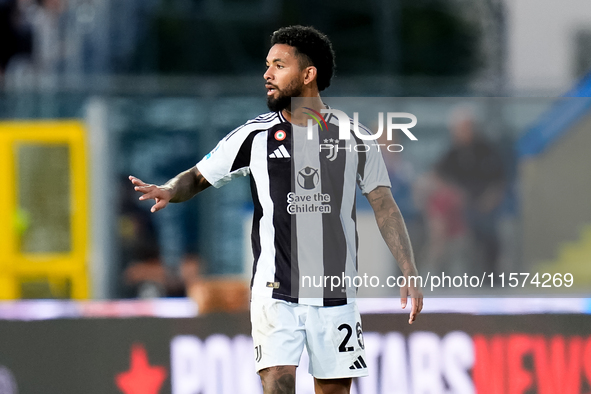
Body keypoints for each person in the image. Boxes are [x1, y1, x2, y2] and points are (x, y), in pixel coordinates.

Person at [130, 25, 422, 394]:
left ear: (308, 74)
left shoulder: (356, 138)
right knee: (278, 382)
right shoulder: (254, 136)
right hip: (274, 292)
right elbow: (198, 176)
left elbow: (385, 207)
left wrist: (409, 270)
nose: (267, 74)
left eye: (278, 65)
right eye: (267, 65)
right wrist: (169, 189)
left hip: (335, 294)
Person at [436, 107, 505, 276]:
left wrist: (489, 200)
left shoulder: (487, 151)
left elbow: (499, 181)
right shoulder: (451, 154)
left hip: (486, 206)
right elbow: (438, 176)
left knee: (488, 232)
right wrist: (455, 194)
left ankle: (491, 275)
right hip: (460, 209)